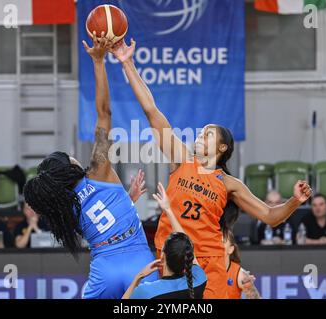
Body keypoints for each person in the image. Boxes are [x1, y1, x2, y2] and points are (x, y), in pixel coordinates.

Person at [110, 39, 313, 299]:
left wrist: (295, 201)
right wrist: (127, 63)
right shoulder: (182, 160)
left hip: (207, 261)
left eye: (208, 134)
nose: (200, 135)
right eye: (202, 132)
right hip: (170, 257)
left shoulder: (229, 183)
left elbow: (272, 216)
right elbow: (151, 110)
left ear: (222, 148)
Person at [23, 33, 157, 299]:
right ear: (69, 166)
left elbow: (96, 217)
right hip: (139, 262)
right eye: (69, 157)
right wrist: (98, 62)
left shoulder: (64, 206)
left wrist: (126, 202)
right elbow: (104, 113)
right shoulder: (99, 170)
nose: (74, 157)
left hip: (105, 270)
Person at [123, 183, 207, 299]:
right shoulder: (199, 280)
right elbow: (187, 245)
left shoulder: (146, 292)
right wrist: (168, 209)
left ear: (162, 256)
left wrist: (139, 277)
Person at [223, 230, 261, 299]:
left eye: (222, 242)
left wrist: (251, 290)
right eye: (215, 242)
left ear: (231, 249)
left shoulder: (239, 274)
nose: (217, 245)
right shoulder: (202, 268)